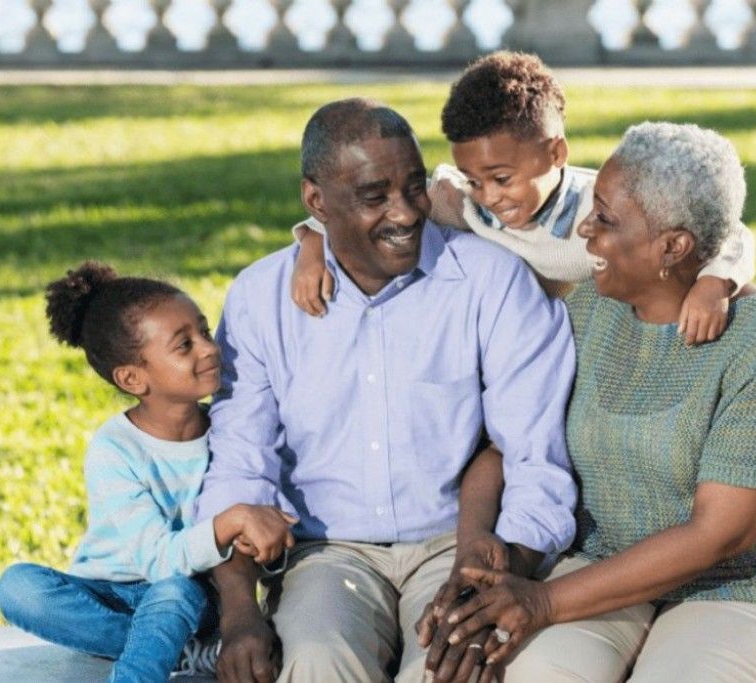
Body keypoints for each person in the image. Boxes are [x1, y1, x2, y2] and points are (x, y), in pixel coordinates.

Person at [424, 123, 756, 682]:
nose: (584, 229)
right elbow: (504, 448)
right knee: (531, 673)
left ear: (672, 247)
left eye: (604, 218)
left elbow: (718, 535)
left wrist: (543, 603)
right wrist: (479, 546)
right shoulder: (586, 315)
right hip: (605, 567)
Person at [194, 98, 578, 682]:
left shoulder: (490, 281)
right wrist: (240, 615)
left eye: (414, 187)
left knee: (454, 669)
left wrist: (501, 574)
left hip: (459, 544)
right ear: (316, 202)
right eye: (375, 196)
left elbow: (535, 454)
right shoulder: (260, 298)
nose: (404, 213)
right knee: (317, 660)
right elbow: (240, 466)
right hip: (327, 551)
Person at [291, 51, 755, 346]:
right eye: (476, 179)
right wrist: (313, 247)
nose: (489, 197)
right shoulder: (460, 199)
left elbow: (730, 233)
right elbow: (375, 213)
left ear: (556, 153)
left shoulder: (607, 205)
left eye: (502, 178)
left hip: (594, 341)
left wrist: (715, 283)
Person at [0, 262, 297, 683]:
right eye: (184, 346)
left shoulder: (231, 435)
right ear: (133, 378)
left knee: (173, 591)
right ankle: (183, 652)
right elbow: (156, 558)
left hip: (193, 597)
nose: (209, 349)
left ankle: (145, 664)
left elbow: (256, 526)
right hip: (109, 592)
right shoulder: (115, 449)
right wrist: (231, 522)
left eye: (205, 333)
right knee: (17, 587)